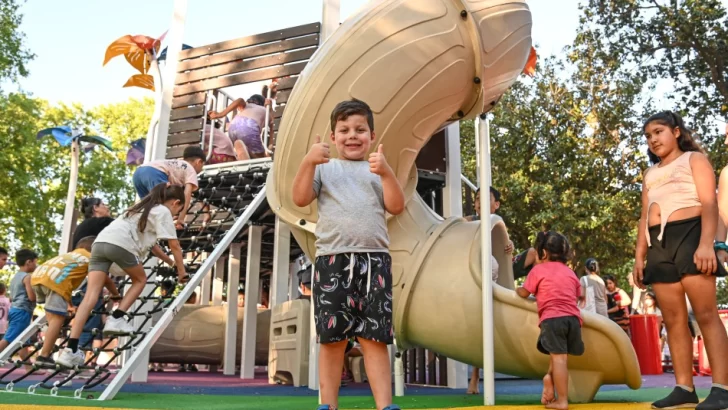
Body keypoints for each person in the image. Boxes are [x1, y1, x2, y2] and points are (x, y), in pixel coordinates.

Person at [291, 99, 404, 410]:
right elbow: (300, 198)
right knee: (332, 337)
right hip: (333, 260)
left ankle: (385, 405)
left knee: (374, 337)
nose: (352, 136)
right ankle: (328, 404)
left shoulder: (375, 169)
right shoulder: (325, 168)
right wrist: (308, 162)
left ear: (371, 134)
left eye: (360, 130)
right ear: (332, 136)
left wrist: (387, 172)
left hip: (374, 260)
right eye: (344, 130)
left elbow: (396, 205)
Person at [633, 110, 728, 409]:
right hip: (658, 243)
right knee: (673, 319)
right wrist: (639, 256)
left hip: (691, 235)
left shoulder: (694, 160)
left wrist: (706, 245)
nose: (653, 139)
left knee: (706, 314)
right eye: (648, 136)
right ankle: (684, 388)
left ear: (675, 132)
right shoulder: (650, 174)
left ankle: (722, 388)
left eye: (658, 132)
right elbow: (644, 216)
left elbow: (709, 202)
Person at [56, 184, 190, 368]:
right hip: (120, 246)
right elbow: (174, 245)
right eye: (178, 210)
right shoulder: (163, 211)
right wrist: (182, 271)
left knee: (89, 297)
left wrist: (171, 263)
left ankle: (69, 350)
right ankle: (117, 317)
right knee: (141, 279)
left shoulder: (138, 209)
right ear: (175, 203)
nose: (176, 213)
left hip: (99, 245)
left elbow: (154, 246)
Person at [516, 231, 584, 410]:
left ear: (543, 253)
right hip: (573, 320)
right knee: (559, 355)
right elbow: (579, 295)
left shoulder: (538, 270)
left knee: (559, 359)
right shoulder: (570, 272)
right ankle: (549, 378)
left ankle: (562, 400)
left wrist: (516, 290)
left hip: (553, 319)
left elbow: (524, 292)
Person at [30, 236, 120, 367]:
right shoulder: (92, 258)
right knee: (57, 319)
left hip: (38, 277)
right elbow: (105, 279)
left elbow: (65, 277)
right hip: (55, 283)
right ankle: (43, 356)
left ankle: (49, 331)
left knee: (53, 317)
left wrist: (70, 305)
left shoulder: (70, 255)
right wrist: (115, 294)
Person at [132, 145, 205, 229]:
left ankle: (142, 227)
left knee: (147, 206)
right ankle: (165, 227)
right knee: (164, 206)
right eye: (202, 166)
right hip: (155, 173)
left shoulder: (176, 164)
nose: (201, 169)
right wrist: (181, 218)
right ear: (199, 162)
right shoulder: (191, 170)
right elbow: (187, 194)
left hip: (138, 173)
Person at [208, 94, 274, 160]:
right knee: (262, 158)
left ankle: (242, 150)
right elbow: (273, 126)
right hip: (249, 127)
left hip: (233, 127)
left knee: (249, 151)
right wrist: (270, 148)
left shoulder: (246, 106)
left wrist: (221, 114)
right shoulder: (264, 110)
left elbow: (240, 100)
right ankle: (246, 155)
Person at [0, 249, 38, 358]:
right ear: (28, 262)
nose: (36, 265)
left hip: (15, 310)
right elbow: (31, 297)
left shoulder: (15, 277)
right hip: (23, 311)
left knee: (23, 339)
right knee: (8, 339)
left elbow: (11, 297)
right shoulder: (27, 277)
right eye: (35, 262)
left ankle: (28, 367)